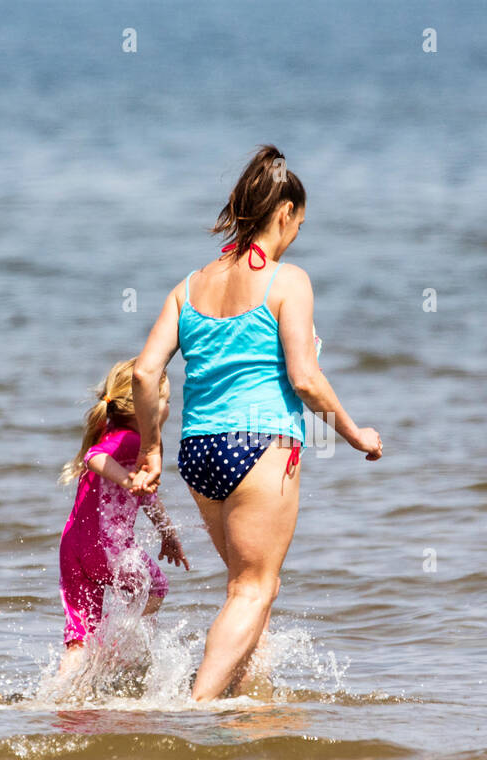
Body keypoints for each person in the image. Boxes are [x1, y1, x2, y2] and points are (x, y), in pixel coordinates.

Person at [128, 144, 382, 701]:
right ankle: (194, 707)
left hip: (198, 453)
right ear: (284, 213)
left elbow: (146, 375)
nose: (296, 237)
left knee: (250, 588)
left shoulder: (189, 286)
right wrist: (355, 434)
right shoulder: (288, 281)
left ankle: (248, 706)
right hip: (260, 447)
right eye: (298, 225)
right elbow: (306, 379)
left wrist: (151, 448)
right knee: (252, 589)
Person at [56, 358, 188, 677]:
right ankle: (110, 657)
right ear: (145, 406)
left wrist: (167, 534)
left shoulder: (112, 432)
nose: (169, 408)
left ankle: (61, 694)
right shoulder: (131, 440)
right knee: (155, 590)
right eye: (165, 401)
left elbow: (148, 498)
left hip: (73, 548)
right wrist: (128, 480)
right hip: (108, 548)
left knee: (78, 637)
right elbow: (94, 458)